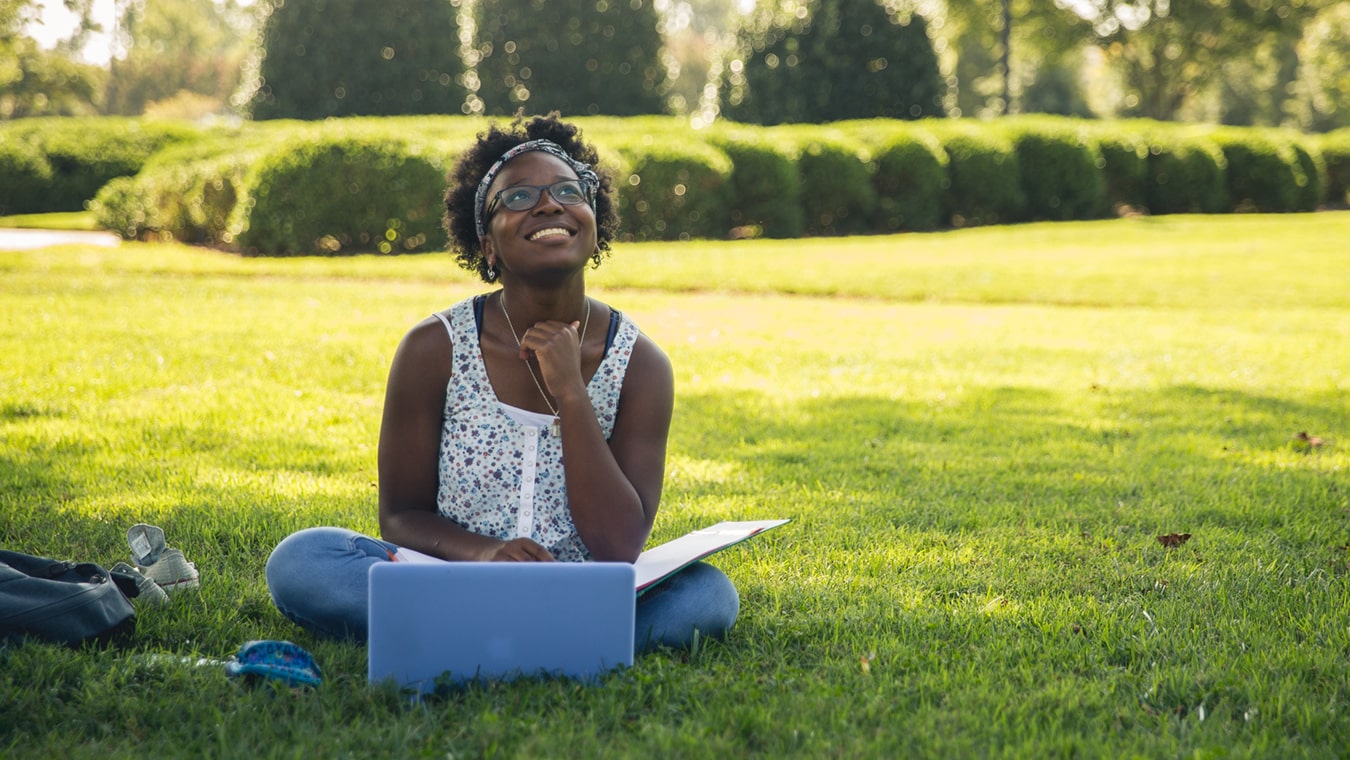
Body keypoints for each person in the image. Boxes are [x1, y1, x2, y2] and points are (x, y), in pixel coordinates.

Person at [265, 114, 740, 652]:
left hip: (581, 588)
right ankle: (562, 644)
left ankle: (476, 638)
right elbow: (400, 516)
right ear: (487, 246)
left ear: (594, 219)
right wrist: (486, 555)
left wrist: (570, 393)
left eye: (568, 190)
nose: (549, 204)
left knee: (708, 595)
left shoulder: (641, 364)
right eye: (518, 198)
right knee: (303, 559)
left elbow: (619, 546)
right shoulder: (434, 348)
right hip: (454, 579)